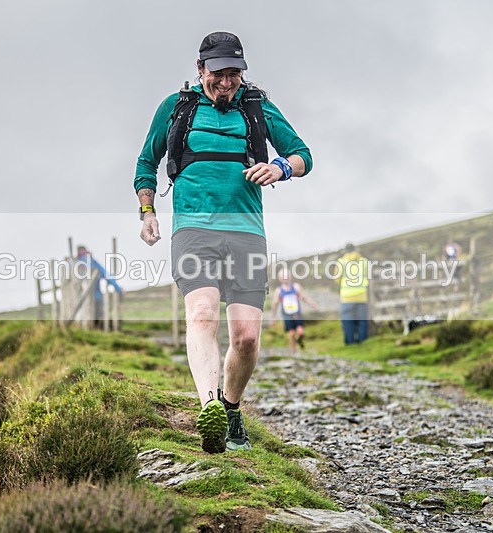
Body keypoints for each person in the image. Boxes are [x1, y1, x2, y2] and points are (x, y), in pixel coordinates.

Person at [134, 32, 312, 453]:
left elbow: (304, 154)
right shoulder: (176, 108)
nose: (227, 82)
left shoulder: (257, 106)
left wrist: (281, 169)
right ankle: (209, 408)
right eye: (219, 73)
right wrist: (147, 212)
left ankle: (231, 408)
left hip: (246, 231)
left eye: (234, 73)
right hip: (193, 230)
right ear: (201, 69)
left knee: (247, 337)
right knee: (201, 315)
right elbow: (146, 163)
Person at [270, 269, 319, 353]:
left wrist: (312, 304)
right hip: (287, 315)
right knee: (292, 333)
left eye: (287, 276)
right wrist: (272, 318)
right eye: (283, 277)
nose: (285, 278)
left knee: (301, 332)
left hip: (297, 313)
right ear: (279, 279)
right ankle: (294, 351)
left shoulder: (296, 287)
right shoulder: (279, 291)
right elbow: (275, 304)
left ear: (290, 276)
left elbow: (304, 297)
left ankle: (300, 341)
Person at [75, 245, 124, 328]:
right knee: (99, 316)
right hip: (95, 296)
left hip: (80, 297)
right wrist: (118, 289)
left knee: (85, 318)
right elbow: (106, 275)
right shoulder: (91, 261)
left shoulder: (73, 262)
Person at [336, 244, 369, 345]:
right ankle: (363, 342)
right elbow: (368, 275)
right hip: (361, 295)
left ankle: (350, 343)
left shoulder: (341, 262)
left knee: (348, 321)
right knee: (362, 321)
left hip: (347, 297)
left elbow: (337, 279)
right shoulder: (364, 261)